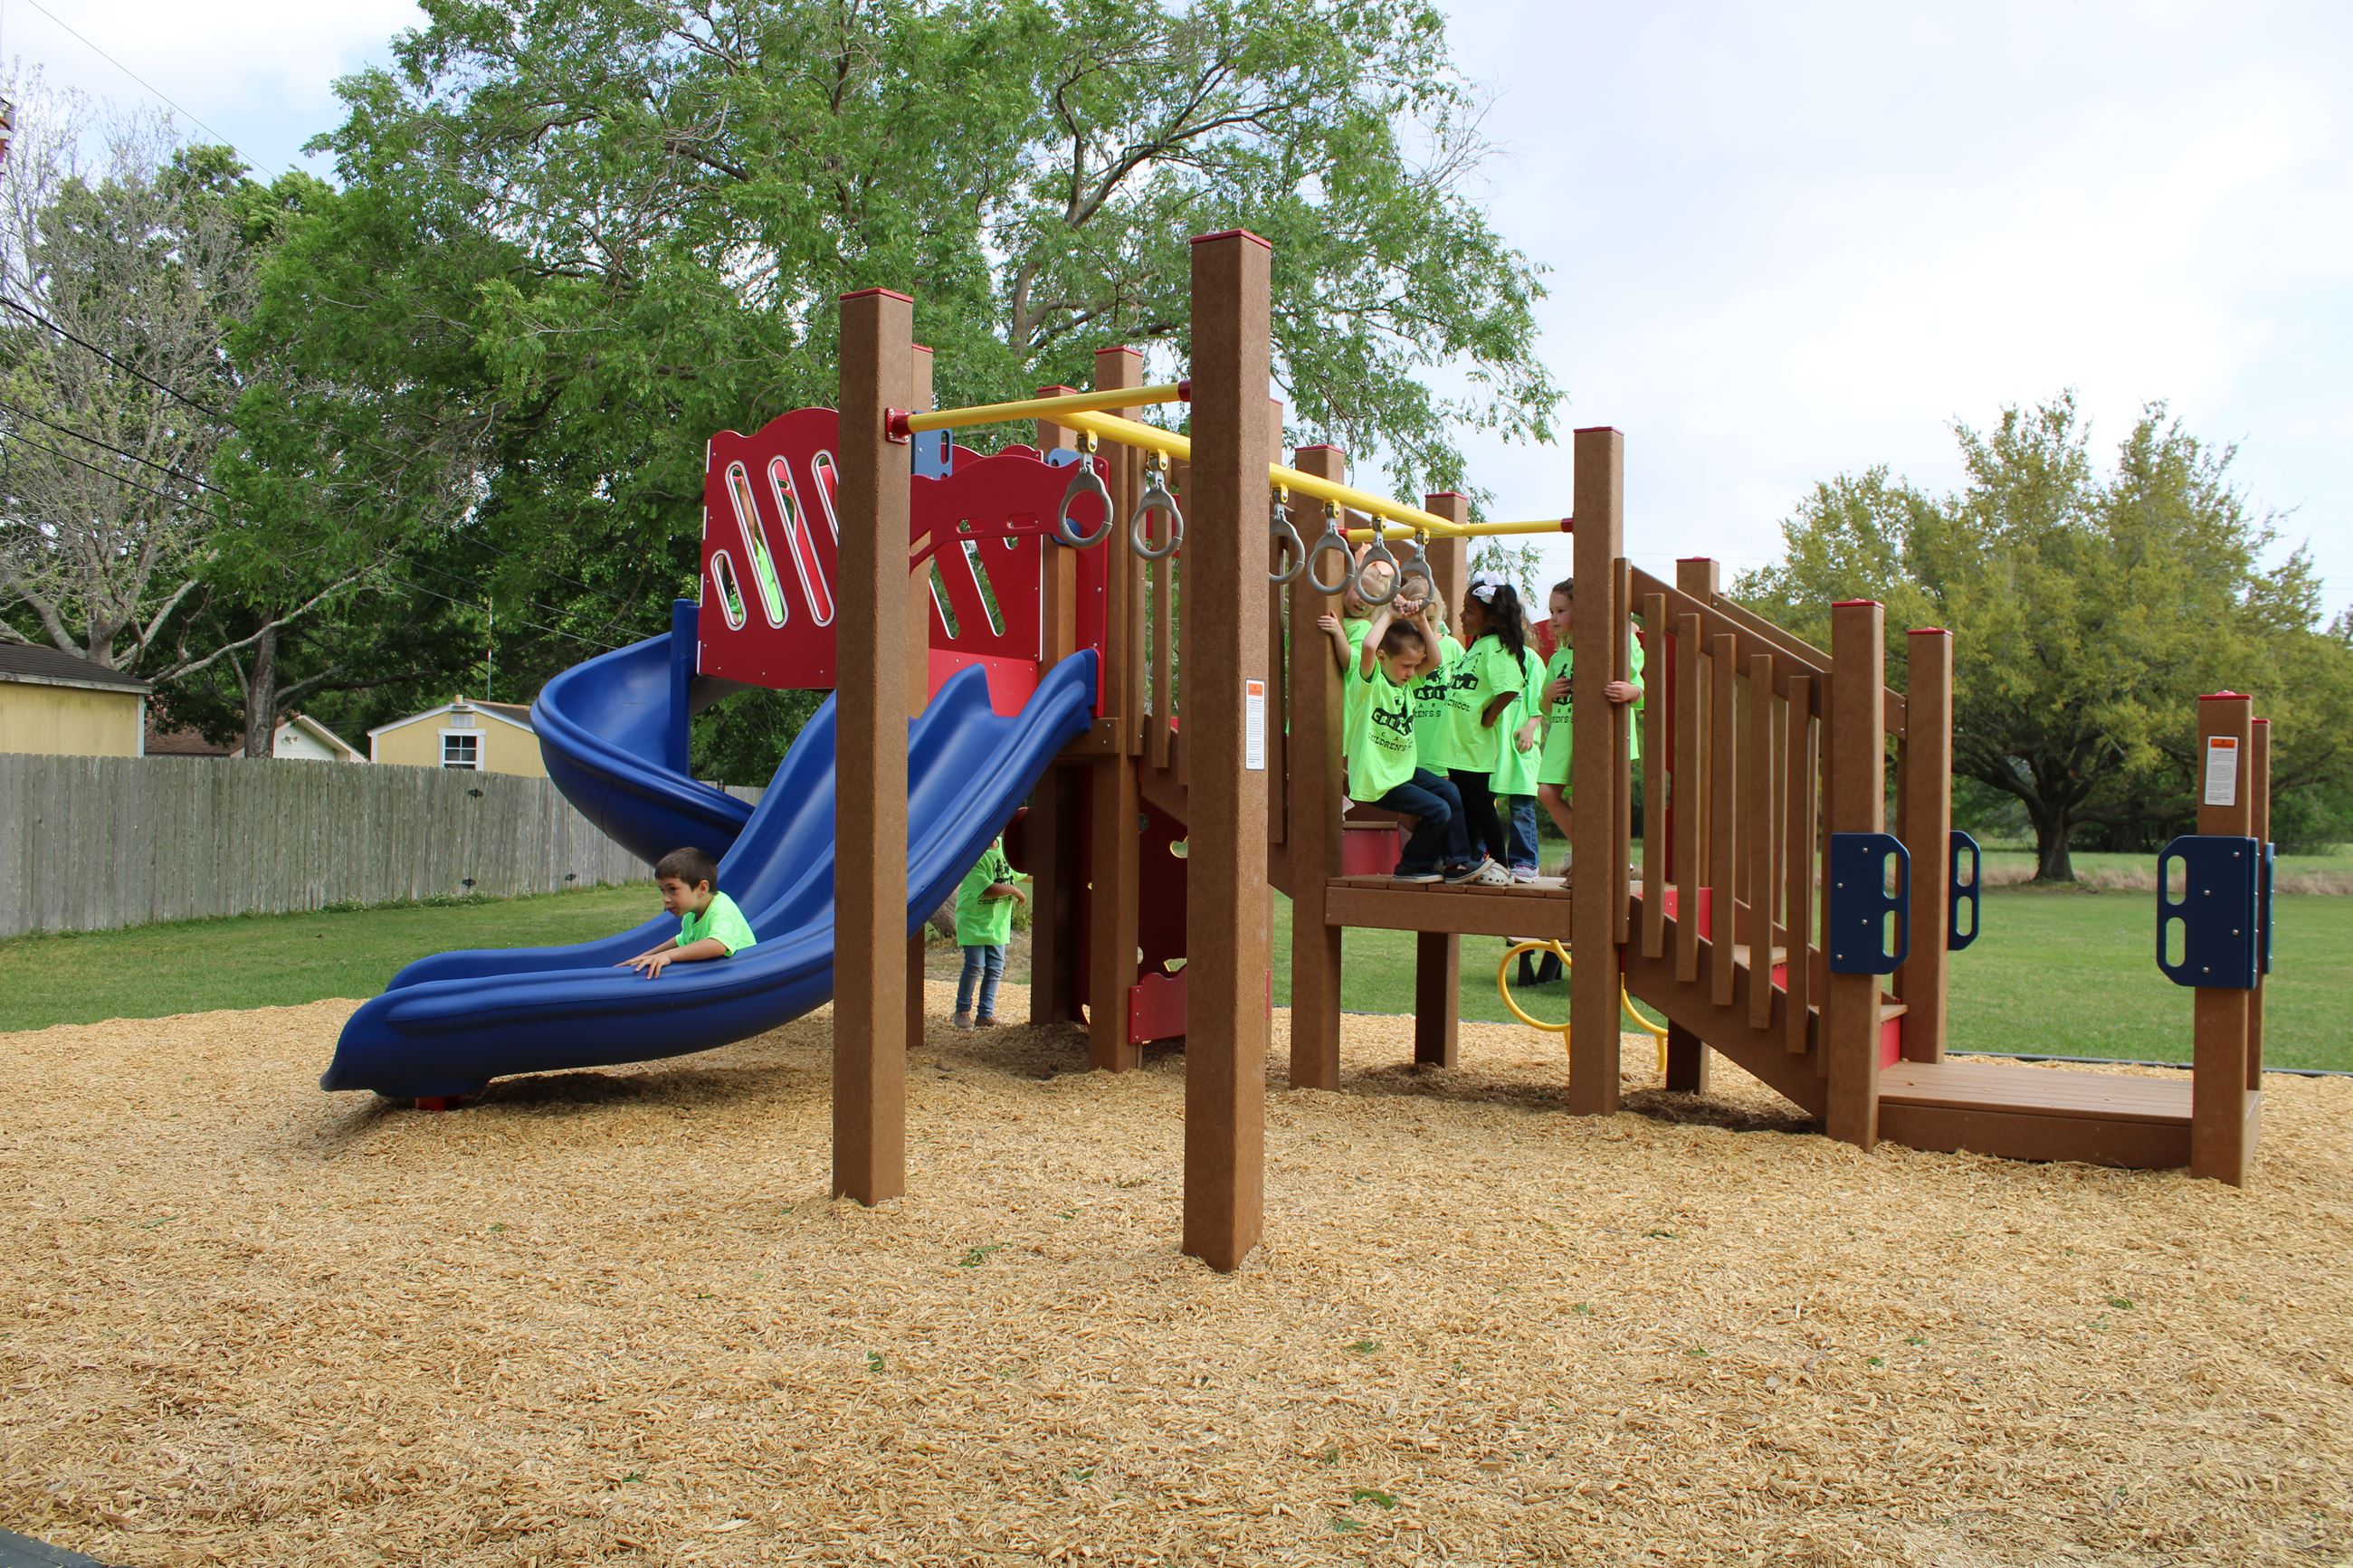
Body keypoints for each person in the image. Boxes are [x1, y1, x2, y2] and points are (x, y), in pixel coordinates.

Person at [1343, 600, 1500, 884]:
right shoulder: (1370, 685)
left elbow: (1435, 660)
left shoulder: (1408, 685)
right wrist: (1390, 615)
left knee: (1450, 791)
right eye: (1406, 666)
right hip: (1377, 778)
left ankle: (1457, 861)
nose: (1412, 673)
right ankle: (1411, 865)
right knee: (1438, 810)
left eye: (1415, 666)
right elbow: (1368, 646)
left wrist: (1421, 621)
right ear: (1382, 658)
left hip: (1401, 772)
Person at [1533, 576, 1645, 876]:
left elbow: (1643, 693)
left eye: (1561, 611)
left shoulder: (1612, 650)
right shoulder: (1558, 658)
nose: (1553, 618)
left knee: (1592, 801)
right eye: (1551, 611)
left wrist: (1631, 692)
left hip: (1597, 738)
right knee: (1547, 793)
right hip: (1563, 736)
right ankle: (1592, 852)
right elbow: (1544, 707)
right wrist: (1549, 695)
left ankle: (1597, 859)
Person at [1444, 575, 1529, 873]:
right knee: (1467, 804)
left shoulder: (1496, 647)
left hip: (1474, 744)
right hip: (1460, 743)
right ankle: (1468, 860)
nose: (1462, 616)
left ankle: (1502, 864)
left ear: (1492, 619)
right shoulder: (1479, 645)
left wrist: (1490, 716)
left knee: (1479, 804)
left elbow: (1510, 687)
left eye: (1469, 611)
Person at [616, 846, 757, 978]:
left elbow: (718, 944)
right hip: (721, 975)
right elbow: (682, 940)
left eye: (672, 889)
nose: (666, 899)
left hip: (745, 976)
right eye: (663, 891)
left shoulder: (721, 909)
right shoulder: (691, 914)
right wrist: (644, 957)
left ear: (702, 888)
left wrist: (668, 955)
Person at [953, 834, 1027, 1029]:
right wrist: (1014, 890)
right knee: (975, 965)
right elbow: (987, 888)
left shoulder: (1005, 848)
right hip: (973, 922)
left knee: (995, 968)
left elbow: (1019, 872)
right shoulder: (971, 855)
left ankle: (985, 1014)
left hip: (997, 924)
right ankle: (962, 1010)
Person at [1491, 632, 1548, 881]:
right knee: (1483, 801)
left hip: (1520, 745)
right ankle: (1485, 858)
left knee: (1521, 806)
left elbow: (1540, 701)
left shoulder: (1531, 659)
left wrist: (1530, 727)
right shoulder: (1491, 656)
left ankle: (1524, 862)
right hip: (1491, 744)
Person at [1317, 546, 1399, 673]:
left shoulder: (1363, 627)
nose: (1363, 601)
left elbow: (1352, 664)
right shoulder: (1341, 613)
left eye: (1372, 598)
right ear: (1348, 585)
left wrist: (1338, 633)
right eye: (1361, 591)